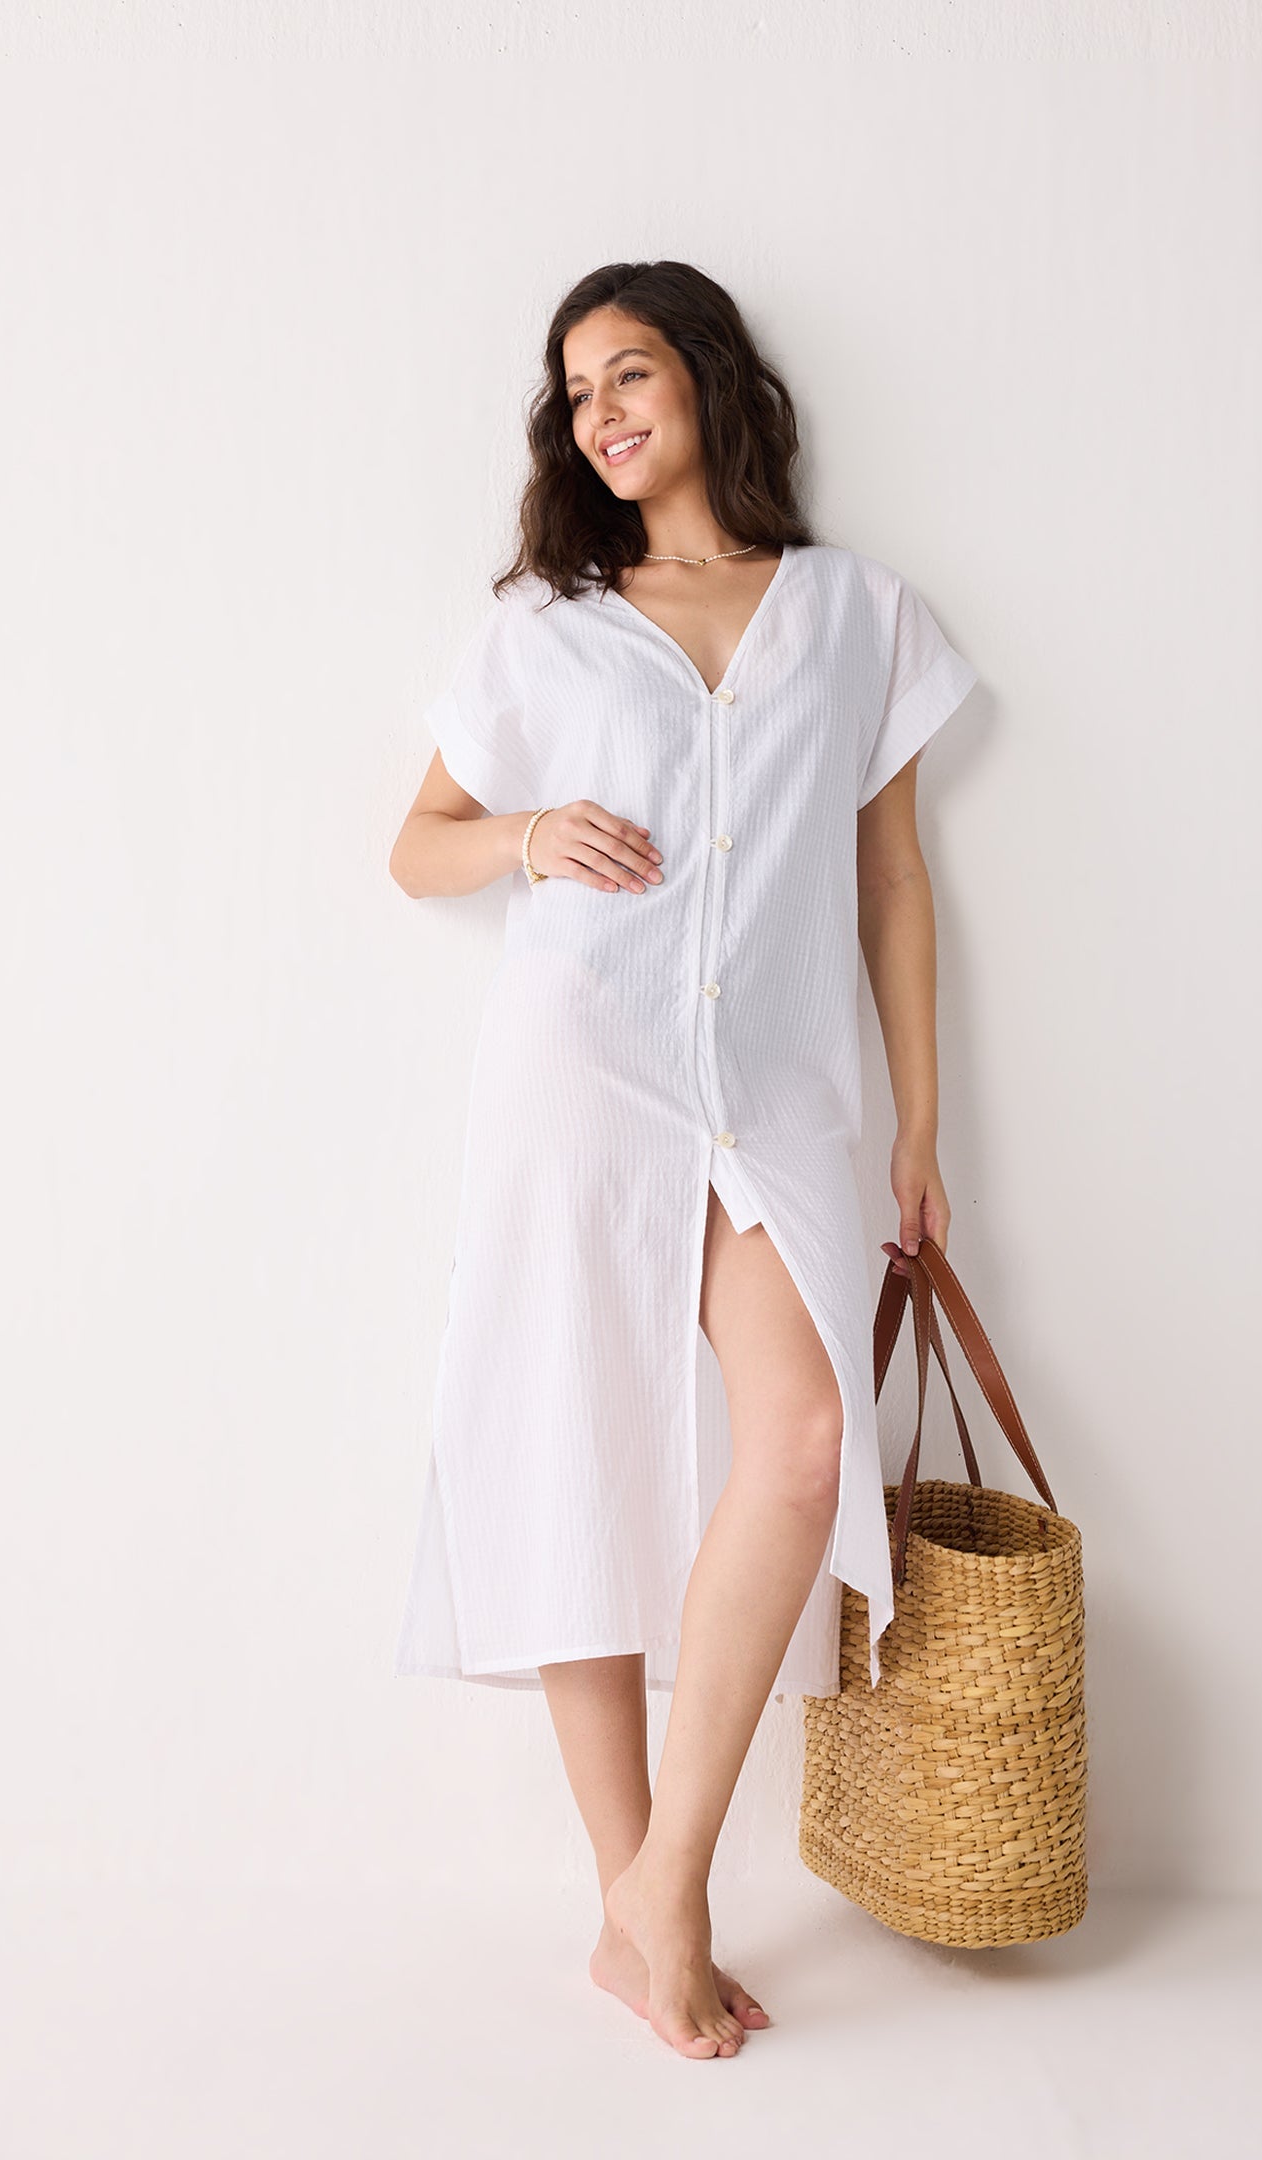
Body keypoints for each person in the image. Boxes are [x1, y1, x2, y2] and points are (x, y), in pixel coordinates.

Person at [388, 260, 977, 2061]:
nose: (602, 414)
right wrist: (523, 834)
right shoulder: (547, 628)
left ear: (709, 378)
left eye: (630, 372)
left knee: (801, 1444)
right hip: (583, 1072)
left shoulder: (855, 612)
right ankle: (641, 1906)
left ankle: (661, 1883)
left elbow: (891, 879)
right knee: (573, 1447)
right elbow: (415, 848)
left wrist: (921, 1127)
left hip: (776, 1091)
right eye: (576, 394)